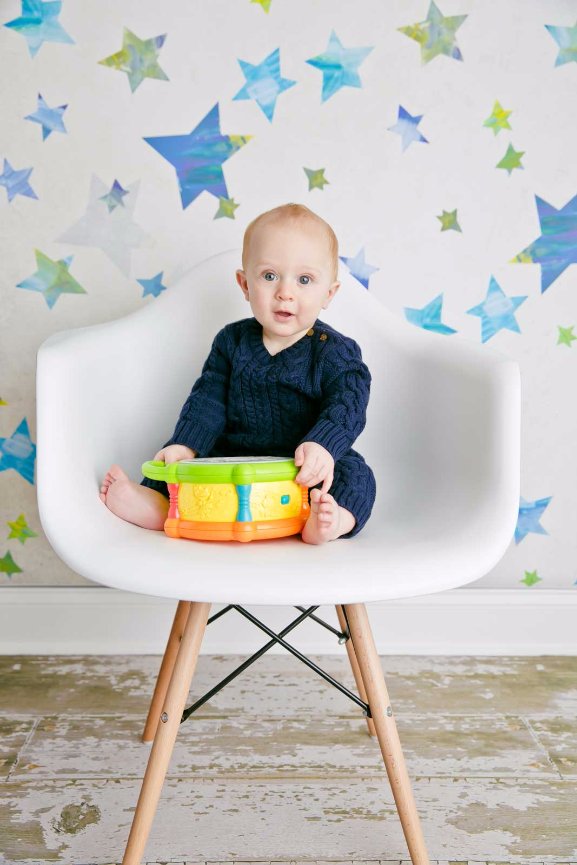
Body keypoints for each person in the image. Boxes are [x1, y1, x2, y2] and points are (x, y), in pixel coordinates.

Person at [100, 203, 376, 544]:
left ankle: (331, 521)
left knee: (356, 475)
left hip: (301, 468)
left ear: (328, 294)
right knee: (178, 464)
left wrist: (323, 446)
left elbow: (348, 404)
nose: (285, 292)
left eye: (304, 280)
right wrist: (186, 444)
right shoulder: (231, 342)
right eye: (269, 276)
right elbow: (208, 400)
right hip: (233, 460)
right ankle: (158, 507)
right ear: (245, 284)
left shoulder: (334, 352)